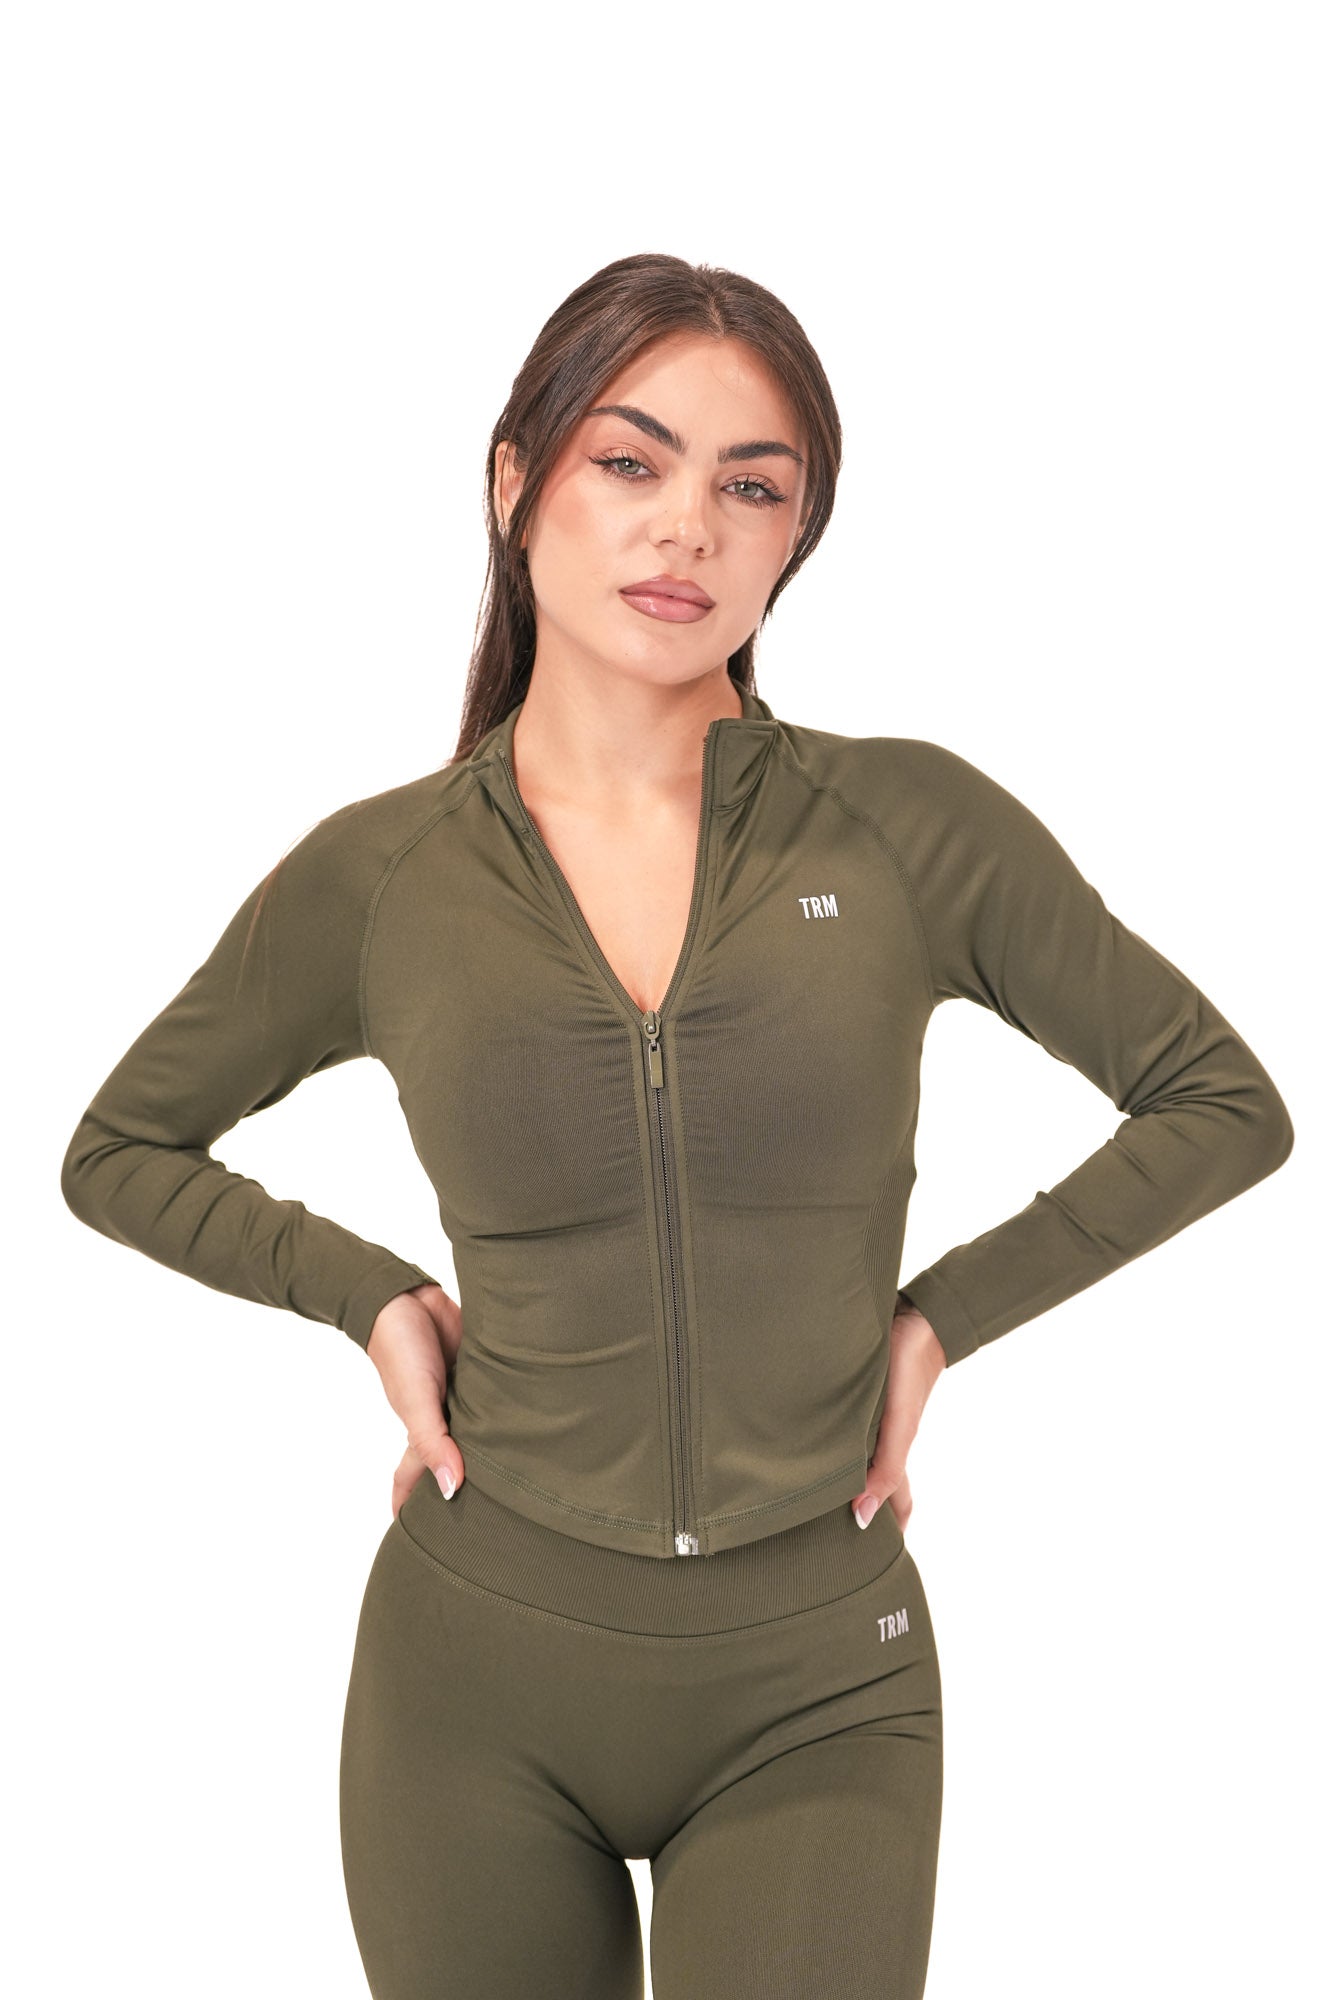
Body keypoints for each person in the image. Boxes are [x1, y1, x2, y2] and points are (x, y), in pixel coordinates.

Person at [60, 252, 1295, 1999]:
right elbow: (119, 1152)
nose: (686, 528)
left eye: (751, 486)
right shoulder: (384, 875)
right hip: (472, 1680)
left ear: (796, 537)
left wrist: (936, 1321)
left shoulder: (903, 828)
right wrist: (369, 1297)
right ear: (516, 480)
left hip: (819, 1682)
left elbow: (1219, 1102)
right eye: (628, 462)